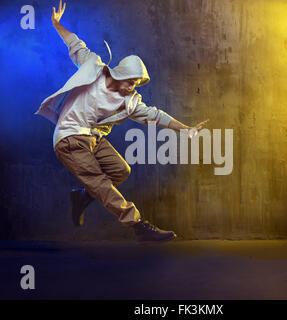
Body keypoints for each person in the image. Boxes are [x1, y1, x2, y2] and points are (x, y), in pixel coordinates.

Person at [34, 1, 208, 243]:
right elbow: (75, 44)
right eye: (131, 82)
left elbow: (154, 115)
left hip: (92, 138)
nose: (131, 87)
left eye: (135, 85)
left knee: (121, 170)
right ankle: (138, 225)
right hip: (69, 137)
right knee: (101, 183)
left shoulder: (129, 102)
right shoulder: (93, 66)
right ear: (121, 74)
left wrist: (184, 129)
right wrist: (56, 24)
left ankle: (83, 195)